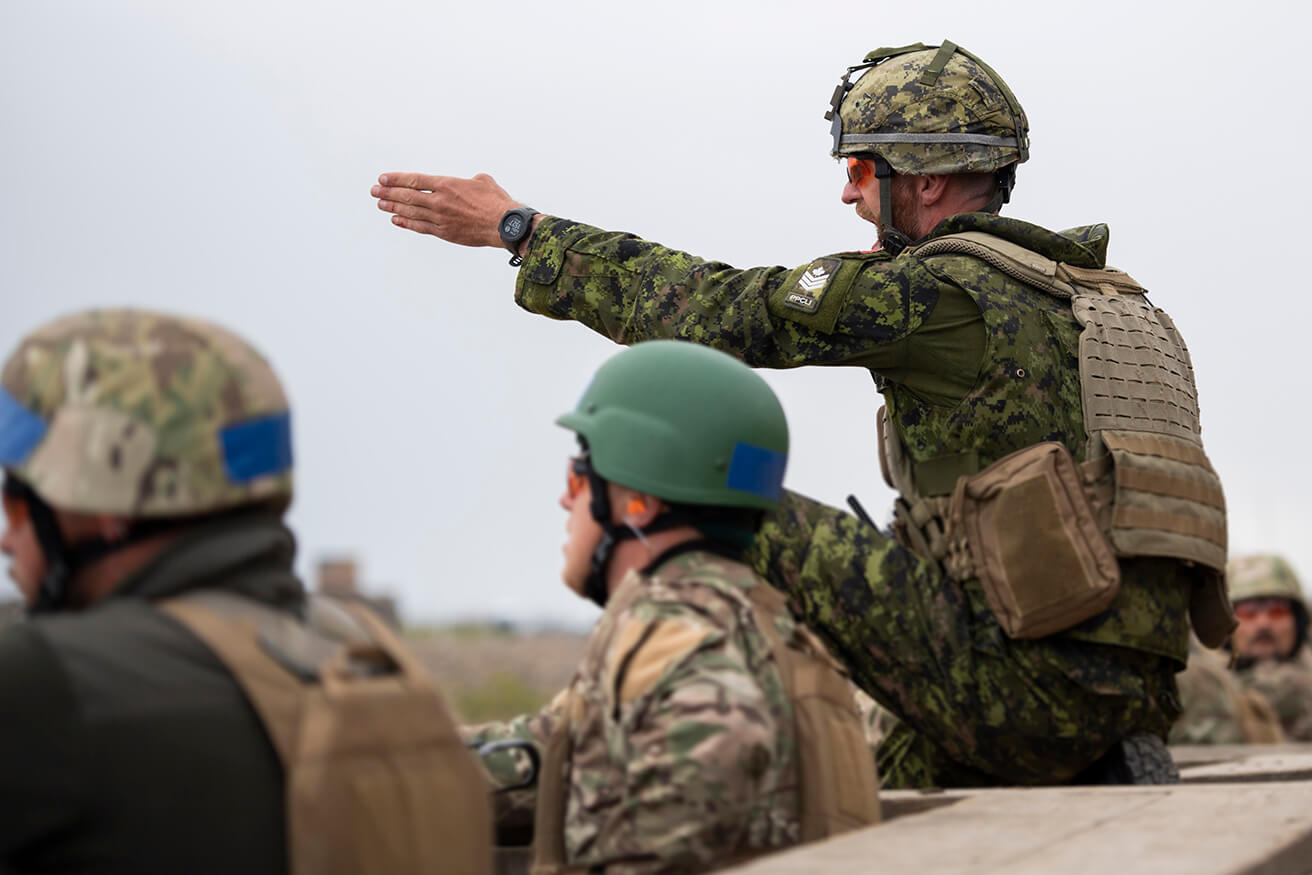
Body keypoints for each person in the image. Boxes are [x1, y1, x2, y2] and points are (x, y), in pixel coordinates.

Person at [371, 40, 1232, 788]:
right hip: (1128, 695)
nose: (849, 197)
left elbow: (711, 311)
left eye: (860, 171)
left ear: (925, 180)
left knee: (704, 496)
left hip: (1021, 695)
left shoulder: (938, 296)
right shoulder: (1116, 307)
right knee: (872, 757)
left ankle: (598, 734)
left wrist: (523, 231)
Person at [0, 309, 491, 874]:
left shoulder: (48, 680)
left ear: (105, 502)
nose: (10, 538)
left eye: (19, 503)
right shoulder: (372, 661)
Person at [465, 340, 879, 873]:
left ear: (640, 494)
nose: (566, 500)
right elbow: (540, 752)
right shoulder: (759, 624)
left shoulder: (683, 640)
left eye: (579, 475)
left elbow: (716, 745)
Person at [1227, 554, 1312, 741]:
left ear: (1298, 621)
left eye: (1277, 610)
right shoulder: (1203, 684)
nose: (1264, 623)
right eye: (1248, 612)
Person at [1168, 635, 1284, 746]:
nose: (1263, 623)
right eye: (1249, 615)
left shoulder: (1210, 677)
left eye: (1277, 614)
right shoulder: (1202, 674)